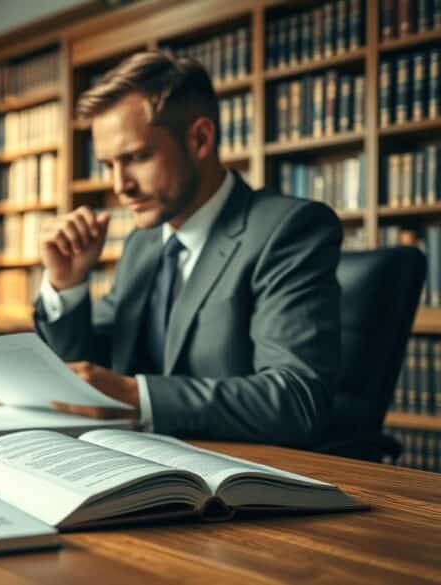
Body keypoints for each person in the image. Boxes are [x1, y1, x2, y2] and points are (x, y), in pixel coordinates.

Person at [36, 51, 341, 448]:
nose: (119, 186)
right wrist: (67, 284)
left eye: (137, 158)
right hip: (134, 463)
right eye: (109, 165)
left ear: (200, 139)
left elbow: (296, 399)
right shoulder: (142, 243)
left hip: (242, 480)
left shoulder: (288, 230)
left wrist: (135, 398)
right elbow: (87, 373)